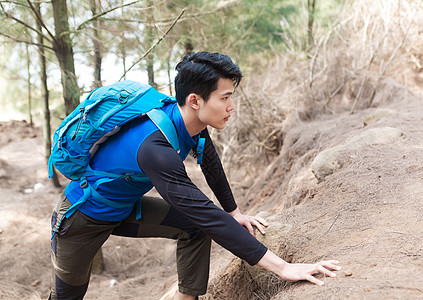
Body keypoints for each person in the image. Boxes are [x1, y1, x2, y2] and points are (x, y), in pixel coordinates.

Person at [49, 52, 340, 300]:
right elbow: (202, 211)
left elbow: (210, 162)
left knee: (194, 229)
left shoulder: (189, 125)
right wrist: (282, 267)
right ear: (195, 100)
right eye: (224, 98)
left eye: (232, 97)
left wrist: (234, 212)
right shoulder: (155, 148)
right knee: (69, 295)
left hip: (126, 209)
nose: (231, 106)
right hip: (82, 219)